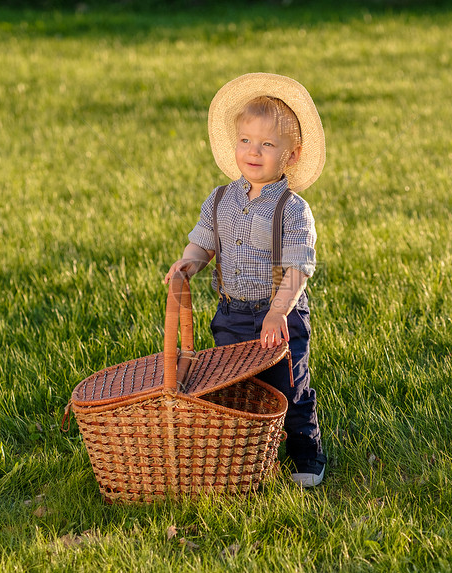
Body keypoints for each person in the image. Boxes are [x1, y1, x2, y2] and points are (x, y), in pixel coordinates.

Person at [164, 73, 327, 487]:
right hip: (232, 314)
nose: (254, 152)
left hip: (278, 317)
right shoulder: (220, 199)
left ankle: (305, 452)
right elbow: (204, 242)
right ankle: (251, 455)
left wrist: (278, 311)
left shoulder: (292, 209)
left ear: (291, 155)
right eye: (245, 141)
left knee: (287, 389)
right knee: (236, 388)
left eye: (268, 144)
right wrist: (189, 263)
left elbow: (297, 269)